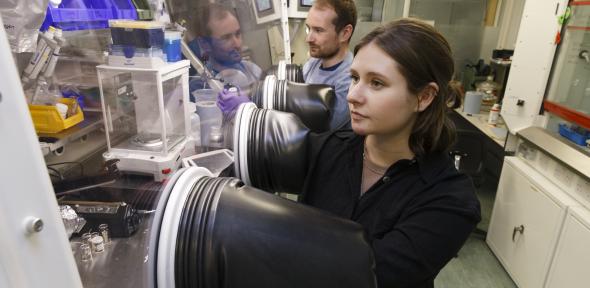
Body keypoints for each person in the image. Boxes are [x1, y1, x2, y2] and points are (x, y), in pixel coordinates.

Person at [299, 19, 481, 287]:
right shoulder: (328, 149)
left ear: (424, 97)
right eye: (354, 78)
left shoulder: (450, 200)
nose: (353, 95)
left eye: (376, 83)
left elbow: (369, 275)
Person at [303, 0, 356, 130]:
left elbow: (322, 131)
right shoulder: (313, 63)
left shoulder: (349, 81)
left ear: (345, 33)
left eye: (318, 30)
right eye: (308, 28)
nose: (308, 39)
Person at [188, 3, 262, 90]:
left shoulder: (252, 71)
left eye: (238, 34)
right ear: (204, 44)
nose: (237, 44)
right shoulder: (201, 86)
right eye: (226, 38)